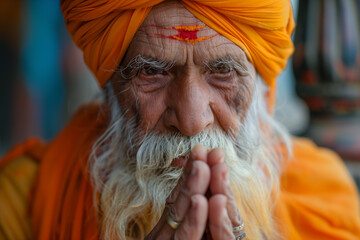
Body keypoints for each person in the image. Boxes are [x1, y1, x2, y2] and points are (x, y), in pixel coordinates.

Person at [1, 0, 360, 239]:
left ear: (262, 88)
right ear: (111, 88)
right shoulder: (20, 203)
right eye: (151, 73)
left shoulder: (324, 206)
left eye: (223, 71)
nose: (191, 120)